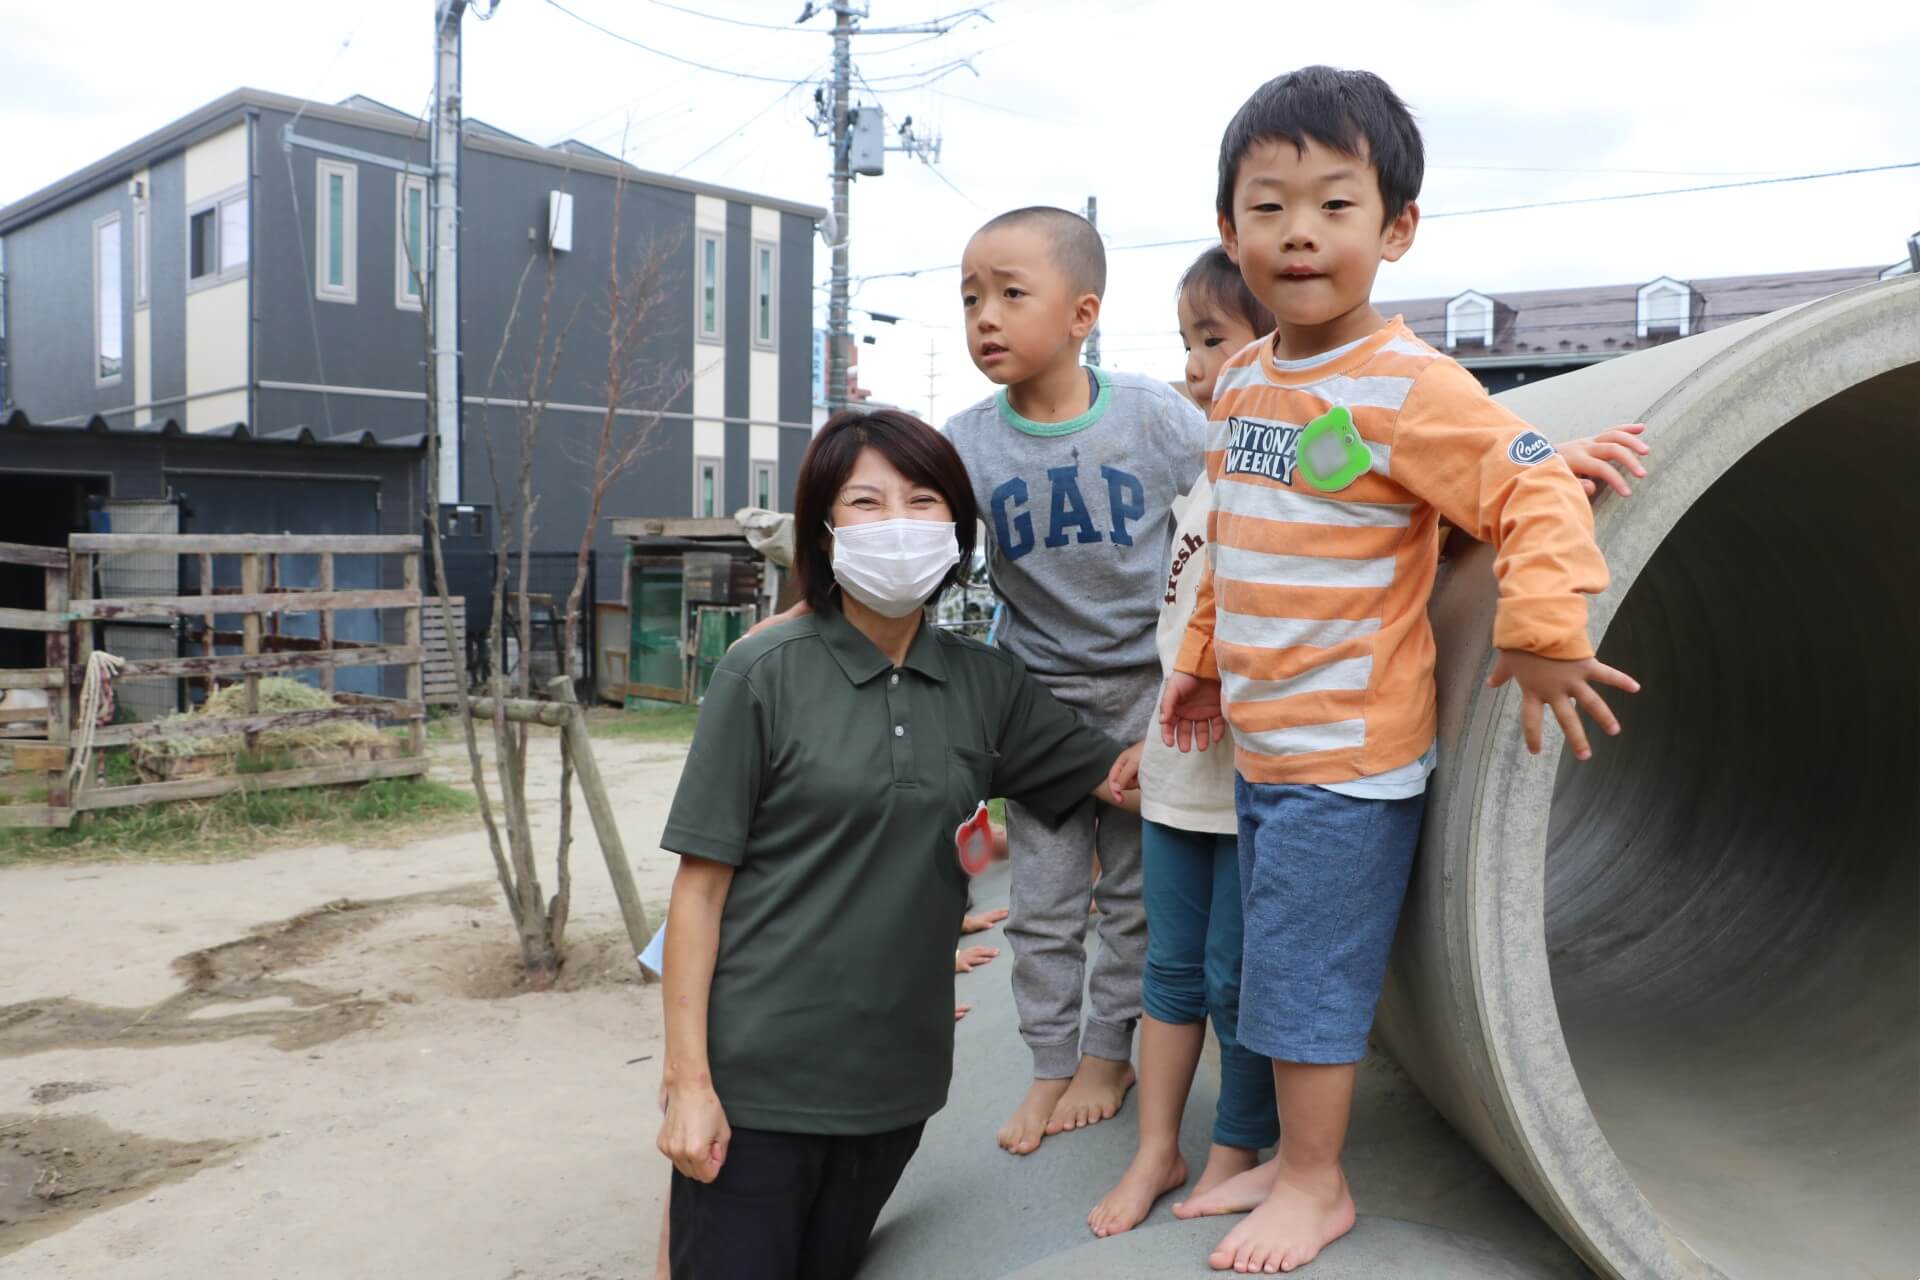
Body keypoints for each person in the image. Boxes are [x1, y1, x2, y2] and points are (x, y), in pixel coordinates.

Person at [1155, 67, 1640, 1273]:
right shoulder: (1248, 380)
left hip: (1349, 755)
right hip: (1269, 736)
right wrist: (1207, 663)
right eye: (1267, 207)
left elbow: (1523, 483)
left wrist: (1539, 632)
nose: (1299, 233)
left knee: (1311, 976)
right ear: (1230, 230)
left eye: (1334, 204)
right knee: (1277, 960)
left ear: (1398, 228)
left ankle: (1316, 1181)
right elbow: (1238, 534)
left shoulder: (1413, 383)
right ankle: (1288, 1156)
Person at [655, 407, 1141, 1280]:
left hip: (898, 1092)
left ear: (956, 532)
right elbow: (699, 891)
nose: (899, 525)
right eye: (867, 503)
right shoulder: (763, 675)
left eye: (923, 502)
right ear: (825, 526)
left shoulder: (985, 685)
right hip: (761, 1087)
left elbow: (1118, 778)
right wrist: (689, 1084)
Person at [947, 206, 1209, 1155]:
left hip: (1153, 695)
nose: (986, 317)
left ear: (1081, 312)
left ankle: (1110, 1052)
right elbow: (921, 552)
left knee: (1136, 898)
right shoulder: (968, 443)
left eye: (1012, 293)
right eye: (971, 296)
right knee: (1047, 904)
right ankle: (1050, 1061)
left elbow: (1235, 509)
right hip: (1040, 708)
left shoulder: (1150, 416)